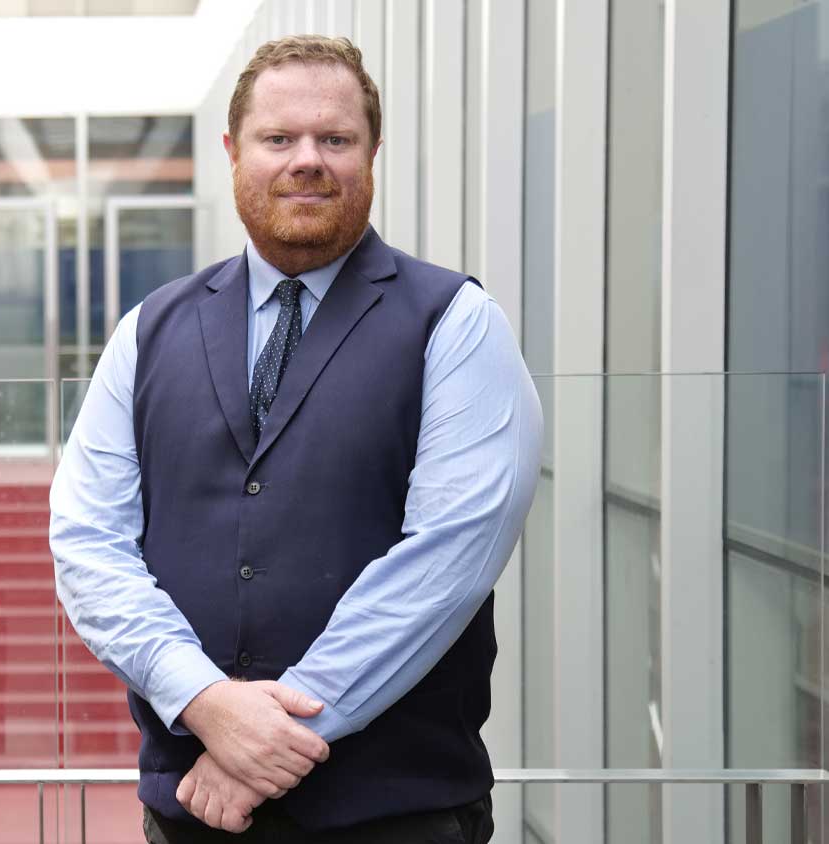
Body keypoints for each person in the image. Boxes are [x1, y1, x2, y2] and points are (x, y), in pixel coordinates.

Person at [50, 35, 541, 843]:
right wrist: (205, 702)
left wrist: (264, 744)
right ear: (232, 153)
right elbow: (88, 542)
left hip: (397, 820)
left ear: (372, 153)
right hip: (193, 817)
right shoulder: (148, 330)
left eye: (335, 139)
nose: (306, 160)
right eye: (278, 138)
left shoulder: (456, 323)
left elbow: (448, 559)